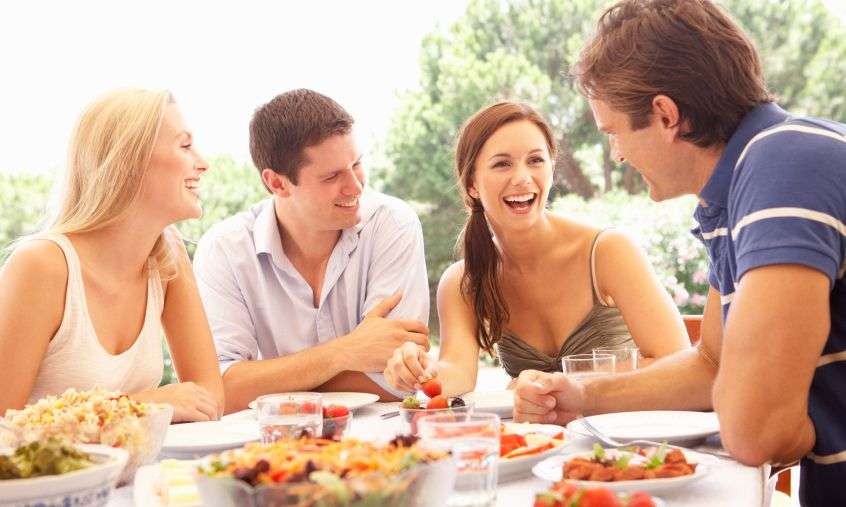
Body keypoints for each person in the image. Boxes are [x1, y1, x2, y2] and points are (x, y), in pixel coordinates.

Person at [511, 1, 846, 504]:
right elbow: (712, 363)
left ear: (666, 115)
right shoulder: (738, 190)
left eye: (614, 133)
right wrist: (580, 395)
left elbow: (755, 434)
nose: (618, 154)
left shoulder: (783, 166)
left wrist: (805, 424)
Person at [383, 101, 690, 396]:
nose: (522, 178)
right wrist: (419, 370)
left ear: (551, 170)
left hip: (631, 435)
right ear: (473, 185)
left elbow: (677, 361)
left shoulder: (608, 252)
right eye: (502, 164)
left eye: (535, 160)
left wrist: (561, 382)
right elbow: (457, 374)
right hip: (543, 444)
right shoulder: (464, 281)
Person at [193, 89, 430, 413]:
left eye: (357, 164)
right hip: (273, 446)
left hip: (384, 439)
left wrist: (269, 379)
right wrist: (346, 352)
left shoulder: (392, 224)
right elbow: (219, 392)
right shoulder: (223, 251)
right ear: (277, 183)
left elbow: (398, 379)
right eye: (332, 176)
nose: (356, 186)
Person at [0, 89, 224, 422]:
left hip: (137, 473)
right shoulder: (41, 264)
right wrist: (142, 406)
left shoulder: (167, 255)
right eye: (185, 145)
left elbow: (209, 397)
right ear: (130, 161)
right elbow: (4, 419)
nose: (203, 163)